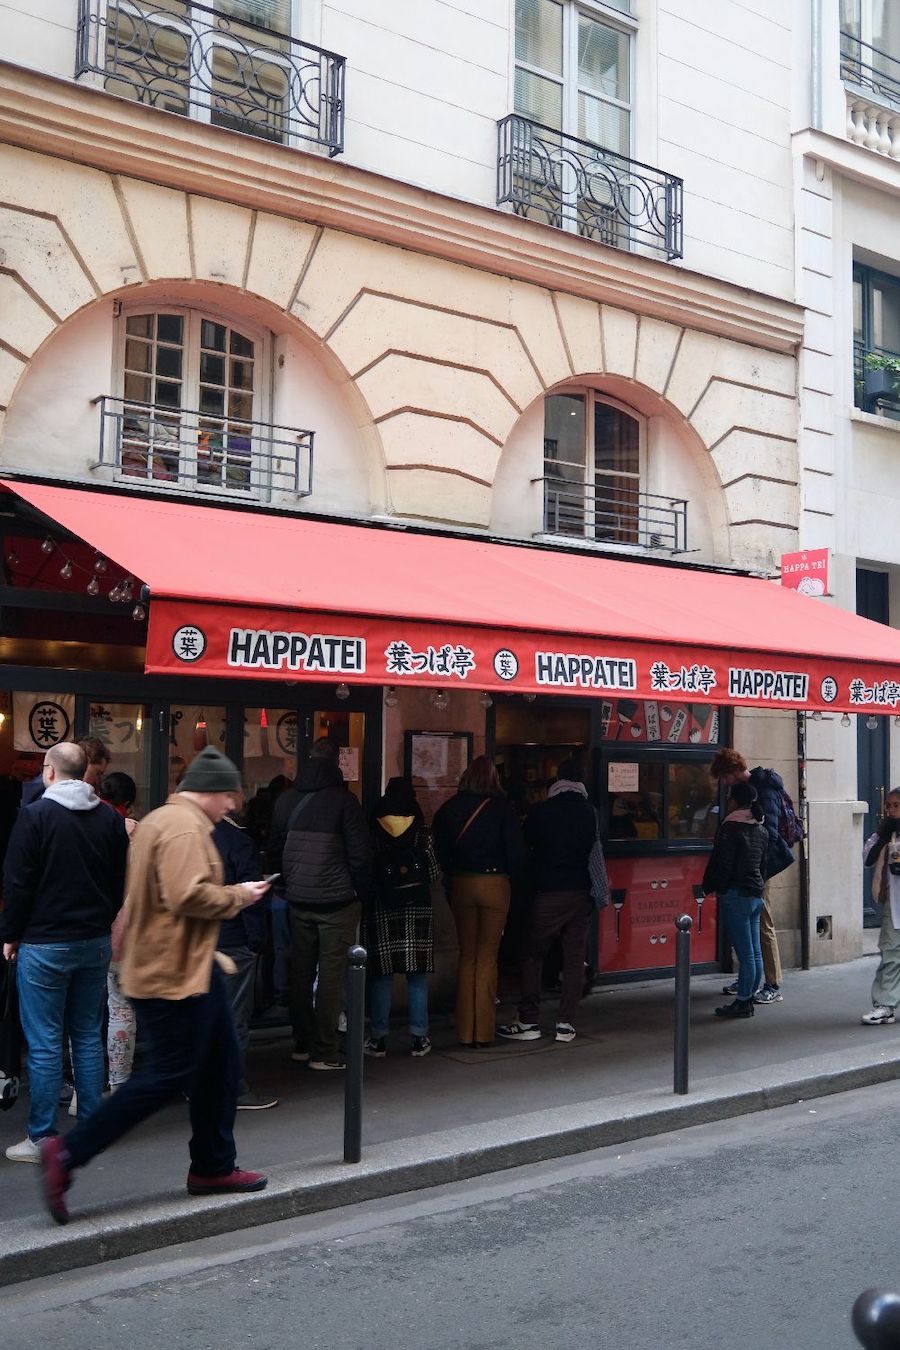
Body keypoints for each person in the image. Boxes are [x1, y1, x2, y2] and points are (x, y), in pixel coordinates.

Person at [36, 746, 271, 1224]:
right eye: (227, 797)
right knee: (169, 1074)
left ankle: (212, 1165)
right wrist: (239, 896)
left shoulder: (163, 819)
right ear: (207, 791)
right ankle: (67, 1153)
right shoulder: (186, 828)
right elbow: (188, 896)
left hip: (179, 966)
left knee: (218, 1066)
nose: (230, 807)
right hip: (174, 972)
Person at [1, 742, 128, 1163]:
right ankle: (91, 1130)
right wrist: (102, 920)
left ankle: (42, 1137)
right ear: (86, 771)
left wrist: (11, 933)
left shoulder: (35, 815)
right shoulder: (109, 819)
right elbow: (117, 881)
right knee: (88, 1036)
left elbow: (18, 883)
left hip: (44, 942)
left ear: (49, 771)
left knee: (45, 1043)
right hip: (93, 940)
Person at [278, 739, 372, 1071]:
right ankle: (325, 1048)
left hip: (298, 899)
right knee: (331, 976)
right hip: (337, 901)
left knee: (301, 972)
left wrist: (288, 885)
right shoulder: (344, 802)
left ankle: (301, 1042)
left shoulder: (286, 800)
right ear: (337, 764)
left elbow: (274, 849)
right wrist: (360, 891)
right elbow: (360, 855)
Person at [498, 757, 600, 1045]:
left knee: (532, 955)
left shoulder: (541, 812)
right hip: (581, 893)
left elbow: (525, 844)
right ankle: (566, 1023)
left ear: (557, 780)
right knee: (574, 959)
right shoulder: (590, 812)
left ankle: (529, 1019)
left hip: (548, 892)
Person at [433, 756, 526, 1048]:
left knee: (467, 956)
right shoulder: (502, 809)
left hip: (461, 882)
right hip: (495, 883)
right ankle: (483, 1032)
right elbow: (516, 854)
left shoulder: (449, 809)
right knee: (488, 956)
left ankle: (464, 1031)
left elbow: (440, 850)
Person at [710, 748, 794, 1004]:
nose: (724, 783)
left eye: (724, 776)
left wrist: (755, 871)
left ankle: (772, 982)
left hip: (760, 867)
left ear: (733, 771)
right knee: (751, 923)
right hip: (753, 867)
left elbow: (766, 833)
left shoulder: (763, 788)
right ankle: (749, 979)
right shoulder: (748, 789)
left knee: (762, 921)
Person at [363, 777, 438, 1059]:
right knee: (416, 977)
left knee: (381, 976)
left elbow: (366, 869)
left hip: (383, 907)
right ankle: (419, 1038)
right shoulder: (421, 830)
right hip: (416, 908)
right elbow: (433, 874)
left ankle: (378, 1040)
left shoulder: (373, 828)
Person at [213, 795, 278, 1108]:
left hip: (194, 940)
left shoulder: (186, 836)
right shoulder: (238, 841)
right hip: (231, 939)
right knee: (234, 1017)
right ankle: (234, 1088)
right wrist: (255, 941)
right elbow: (251, 897)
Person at [703, 780, 768, 1019]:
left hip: (736, 894)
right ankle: (748, 996)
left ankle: (742, 1001)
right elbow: (763, 865)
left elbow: (722, 864)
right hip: (754, 894)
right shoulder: (761, 829)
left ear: (734, 800)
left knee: (746, 954)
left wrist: (714, 887)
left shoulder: (731, 828)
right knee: (755, 952)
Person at [98, 772, 139, 1093]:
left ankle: (80, 1086)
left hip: (79, 930)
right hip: (121, 934)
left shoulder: (76, 822)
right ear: (127, 803)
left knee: (80, 1017)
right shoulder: (133, 832)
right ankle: (119, 1082)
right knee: (121, 1009)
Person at [861, 787, 900, 1025]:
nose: (891, 810)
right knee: (891, 955)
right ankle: (885, 1005)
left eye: (897, 805)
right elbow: (866, 858)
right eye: (889, 806)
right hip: (893, 904)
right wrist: (884, 839)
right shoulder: (885, 833)